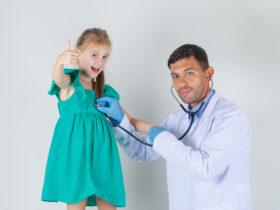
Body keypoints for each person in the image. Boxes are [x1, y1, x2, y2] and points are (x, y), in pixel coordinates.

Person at [96, 44, 253, 210]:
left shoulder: (231, 116)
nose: (181, 83)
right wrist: (119, 121)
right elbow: (142, 151)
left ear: (208, 74)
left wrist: (161, 135)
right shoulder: (176, 120)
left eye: (189, 73)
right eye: (175, 76)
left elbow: (205, 168)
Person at [41, 28, 125, 210]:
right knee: (76, 204)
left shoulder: (105, 91)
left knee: (109, 204)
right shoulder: (70, 84)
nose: (100, 61)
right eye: (94, 54)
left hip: (103, 155)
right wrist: (60, 61)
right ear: (78, 54)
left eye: (105, 56)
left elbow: (127, 119)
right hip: (76, 156)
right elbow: (58, 78)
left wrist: (154, 131)